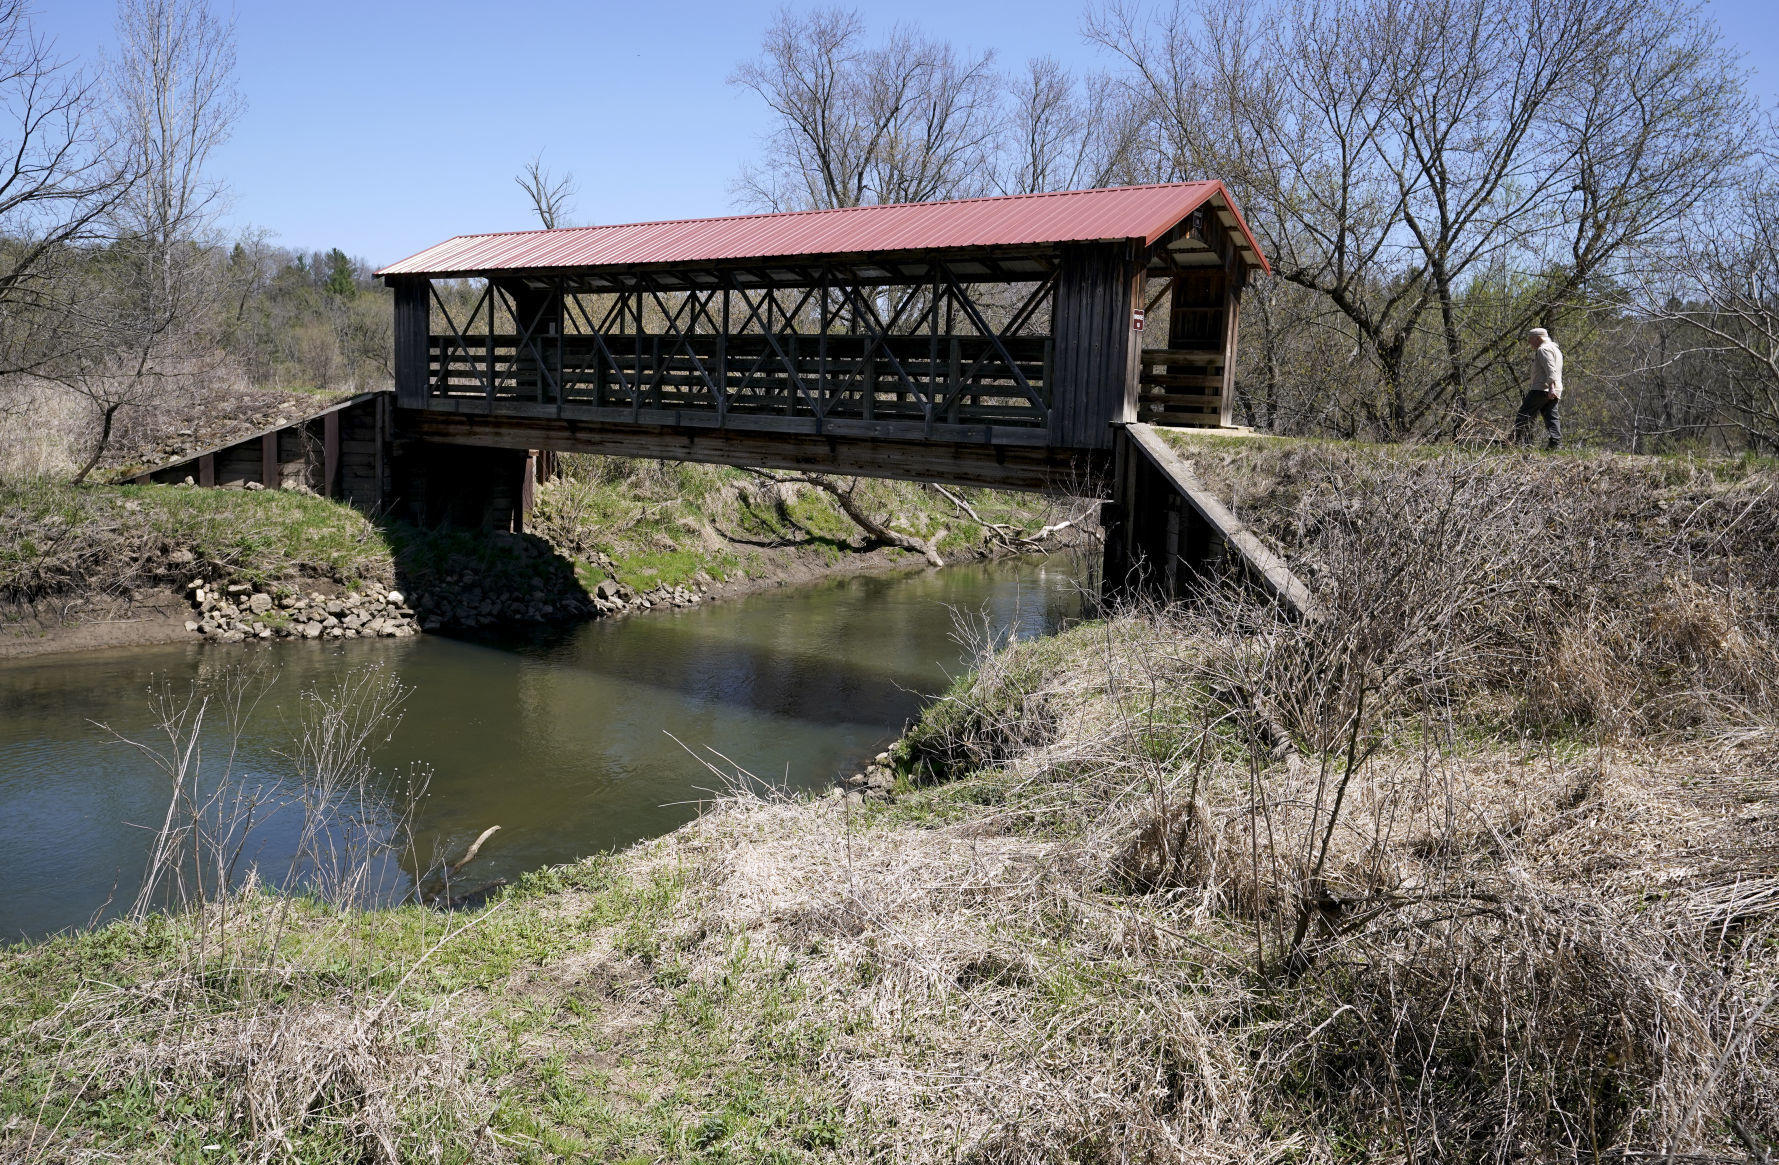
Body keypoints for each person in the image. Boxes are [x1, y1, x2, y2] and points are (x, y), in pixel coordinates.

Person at [1514, 327, 1564, 449]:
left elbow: (1550, 369)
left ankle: (1513, 443)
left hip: (1542, 388)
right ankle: (1555, 445)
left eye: (1530, 339)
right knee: (1551, 417)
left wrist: (1551, 386)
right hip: (1554, 389)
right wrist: (1553, 388)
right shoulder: (1555, 349)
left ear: (1538, 338)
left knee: (1524, 415)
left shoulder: (1543, 349)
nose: (1529, 342)